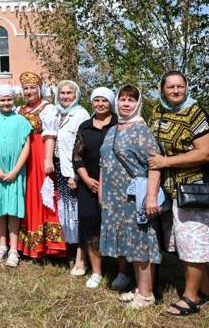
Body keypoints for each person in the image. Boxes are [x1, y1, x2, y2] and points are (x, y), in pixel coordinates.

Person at [147, 71, 209, 316]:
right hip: (170, 188)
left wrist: (166, 162)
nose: (176, 91)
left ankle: (191, 298)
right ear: (162, 88)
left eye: (180, 86)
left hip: (193, 187)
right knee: (182, 243)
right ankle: (207, 290)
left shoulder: (196, 112)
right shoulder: (158, 111)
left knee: (193, 240)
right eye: (171, 87)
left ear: (187, 87)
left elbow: (206, 152)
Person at [99, 85, 163, 310]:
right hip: (114, 197)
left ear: (138, 104)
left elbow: (155, 164)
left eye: (131, 100)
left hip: (135, 196)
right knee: (130, 243)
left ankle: (146, 295)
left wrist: (152, 197)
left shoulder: (140, 130)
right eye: (122, 99)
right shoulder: (114, 129)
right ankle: (139, 288)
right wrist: (101, 191)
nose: (126, 103)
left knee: (140, 242)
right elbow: (103, 163)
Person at [0, 86, 32, 267]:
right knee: (0, 209)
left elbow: (26, 146)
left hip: (15, 173)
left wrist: (16, 170)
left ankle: (13, 249)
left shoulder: (21, 121)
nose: (6, 103)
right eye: (2, 100)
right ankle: (2, 245)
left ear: (14, 100)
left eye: (9, 99)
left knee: (13, 210)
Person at [16, 71, 65, 260]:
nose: (29, 92)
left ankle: (48, 246)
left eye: (32, 88)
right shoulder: (20, 110)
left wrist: (48, 159)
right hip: (24, 156)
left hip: (39, 154)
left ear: (39, 89)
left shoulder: (47, 108)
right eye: (26, 88)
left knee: (43, 195)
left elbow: (50, 134)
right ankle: (28, 243)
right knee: (27, 195)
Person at [74, 87, 118, 290]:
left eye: (104, 101)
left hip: (116, 184)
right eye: (96, 100)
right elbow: (77, 156)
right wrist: (87, 179)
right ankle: (97, 271)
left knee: (116, 226)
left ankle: (122, 270)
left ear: (111, 103)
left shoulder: (119, 124)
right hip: (88, 184)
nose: (100, 104)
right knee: (91, 226)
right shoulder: (85, 126)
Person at [54, 79, 91, 276]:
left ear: (76, 95)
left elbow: (81, 147)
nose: (66, 96)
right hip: (60, 169)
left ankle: (81, 258)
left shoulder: (80, 114)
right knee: (66, 213)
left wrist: (76, 174)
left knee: (78, 214)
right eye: (62, 93)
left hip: (74, 171)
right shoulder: (57, 113)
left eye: (69, 93)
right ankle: (70, 251)